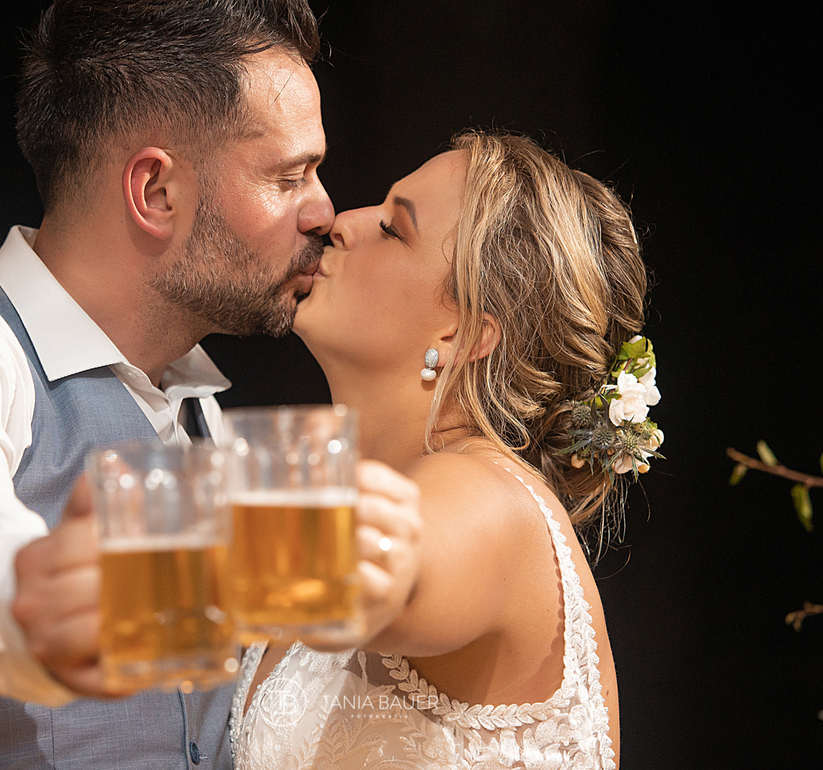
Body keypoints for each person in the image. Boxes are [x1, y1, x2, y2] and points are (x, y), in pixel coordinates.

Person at [0, 0, 416, 767]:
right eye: (287, 177)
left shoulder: (202, 413)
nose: (324, 211)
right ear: (154, 189)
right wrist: (28, 589)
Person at [229, 131, 655, 768]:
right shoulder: (356, 499)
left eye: (394, 228)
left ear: (464, 332)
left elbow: (390, 572)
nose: (341, 223)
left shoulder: (492, 500)